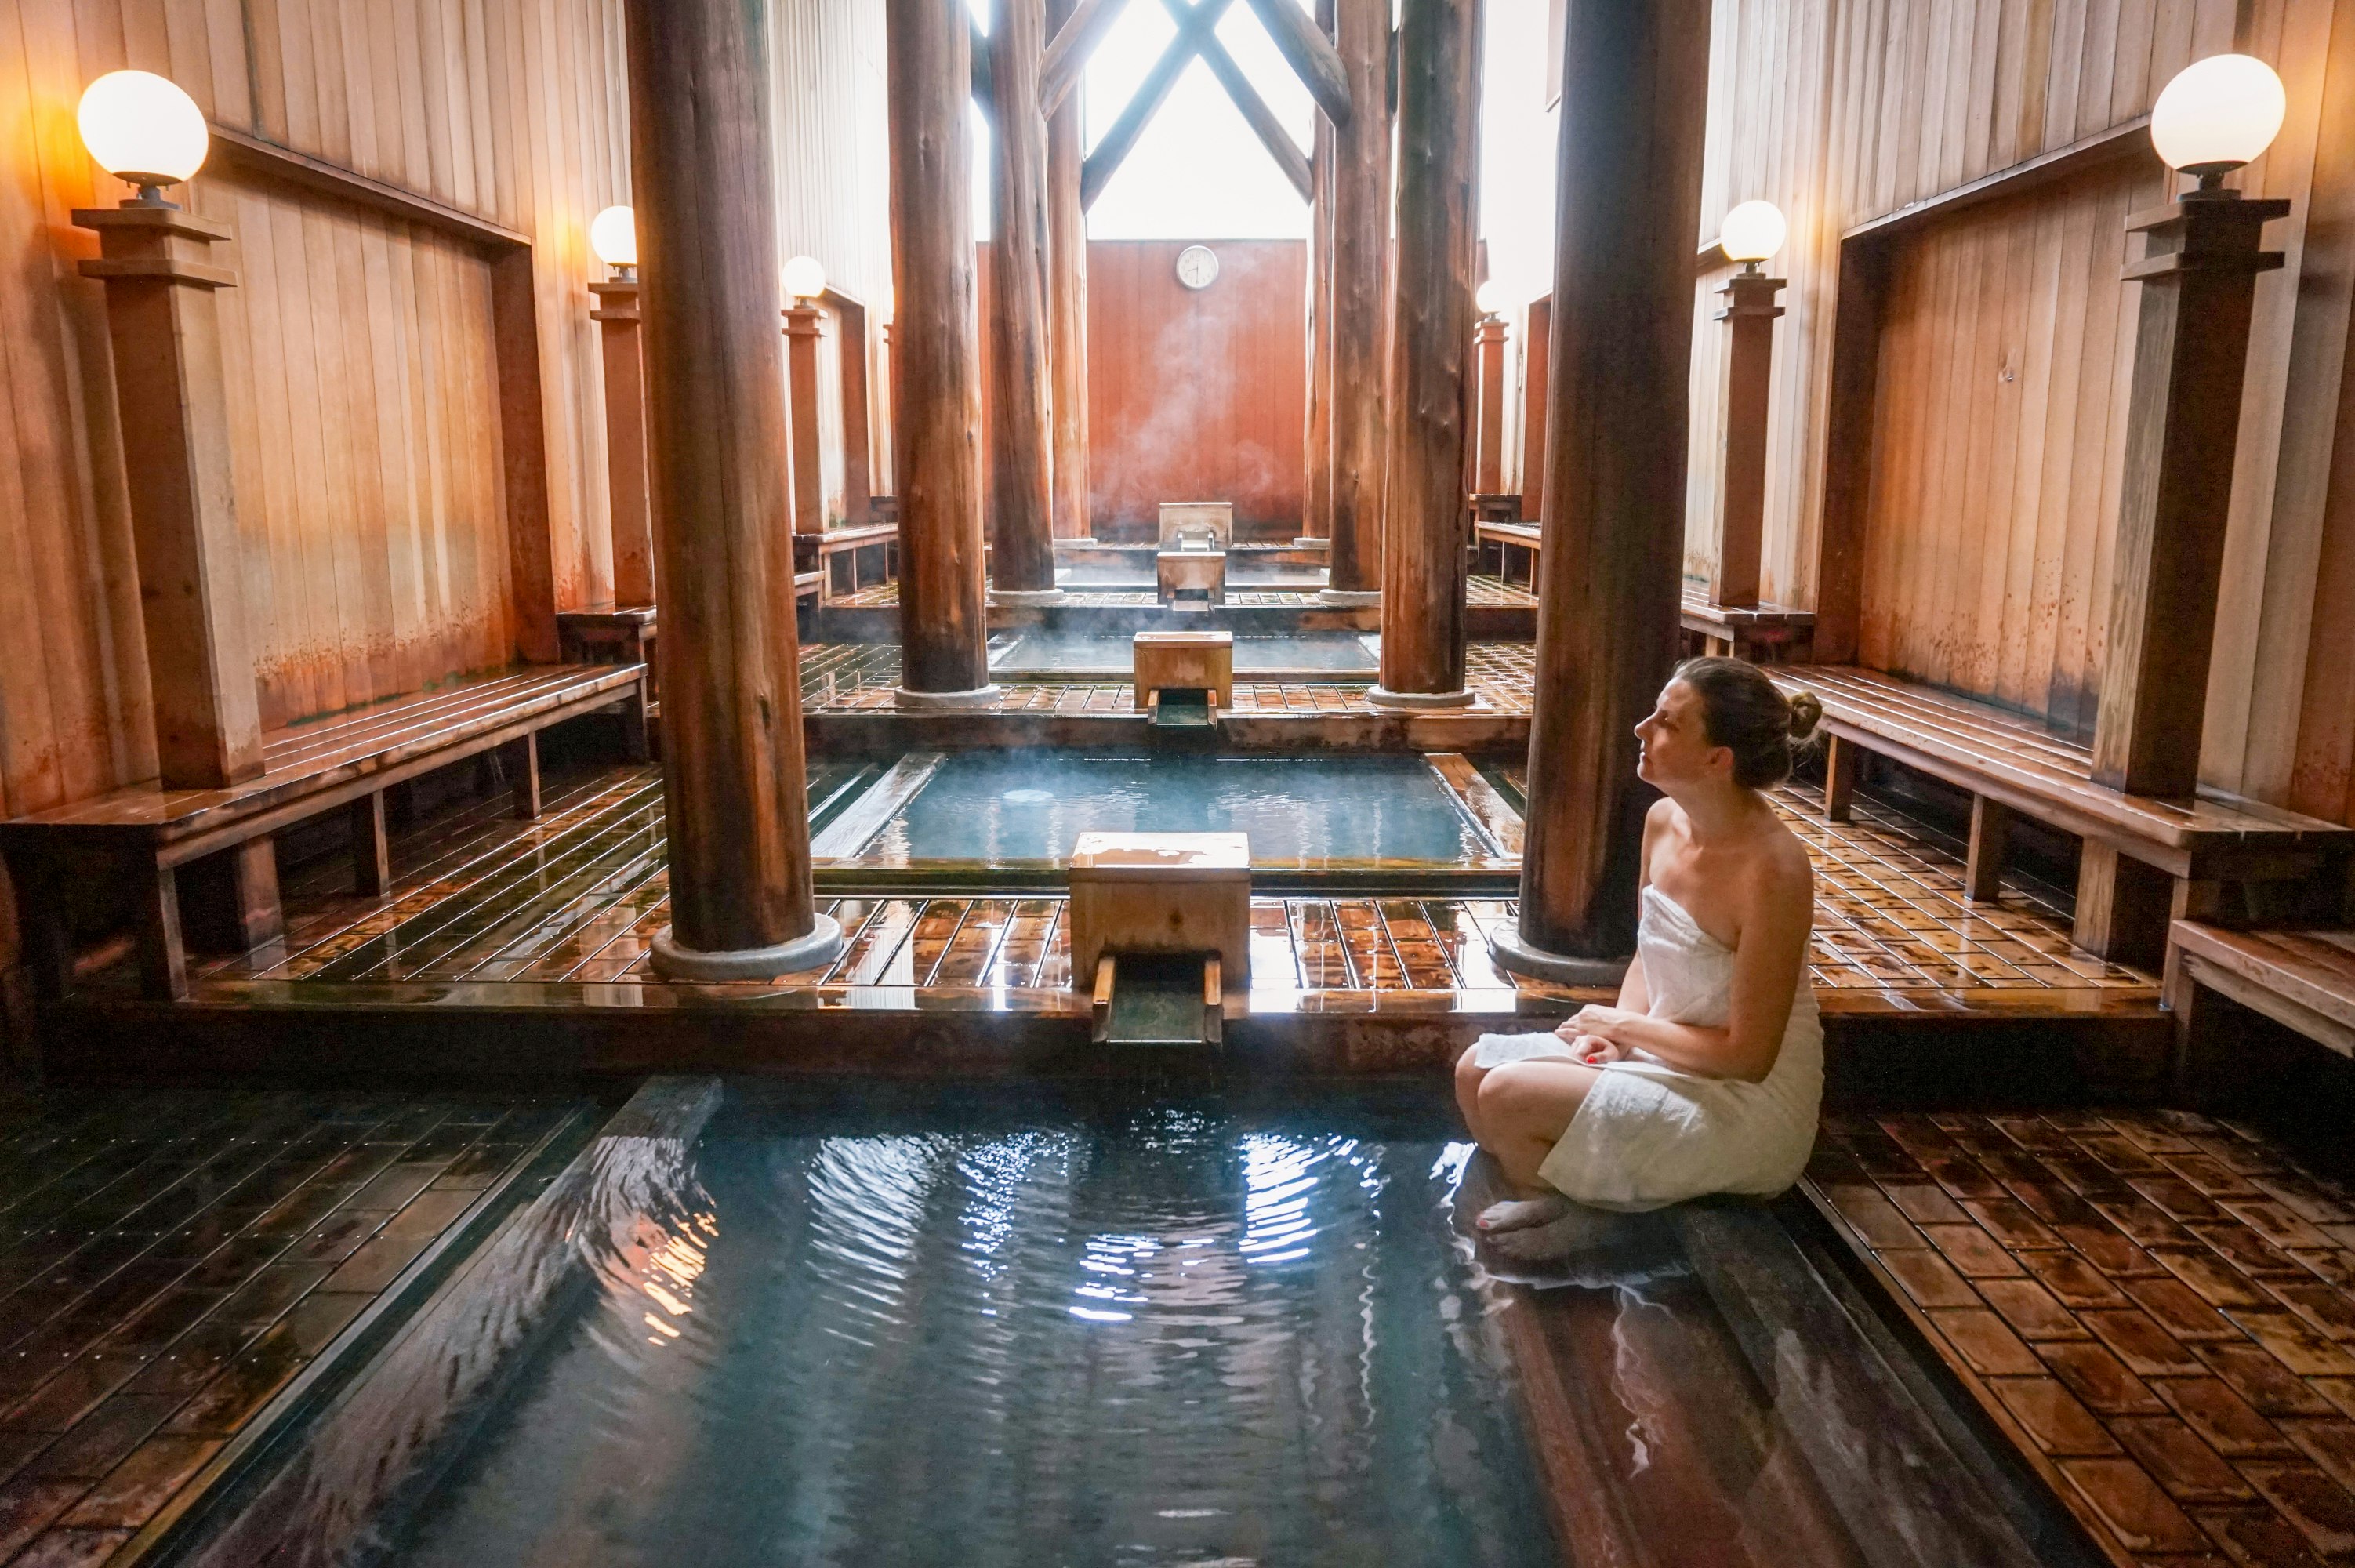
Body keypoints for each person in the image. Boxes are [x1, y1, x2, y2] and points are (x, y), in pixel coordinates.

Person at [1457, 658, 1825, 1255]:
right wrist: (1619, 1041)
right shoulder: (1662, 822)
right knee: (1473, 1070)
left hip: (1745, 1105)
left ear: (1717, 758)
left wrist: (1625, 1026)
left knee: (1508, 1097)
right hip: (1664, 1051)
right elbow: (1649, 954)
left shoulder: (1773, 870)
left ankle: (1601, 1223)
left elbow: (1749, 1058)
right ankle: (1580, 1198)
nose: (1641, 729)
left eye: (1668, 723)